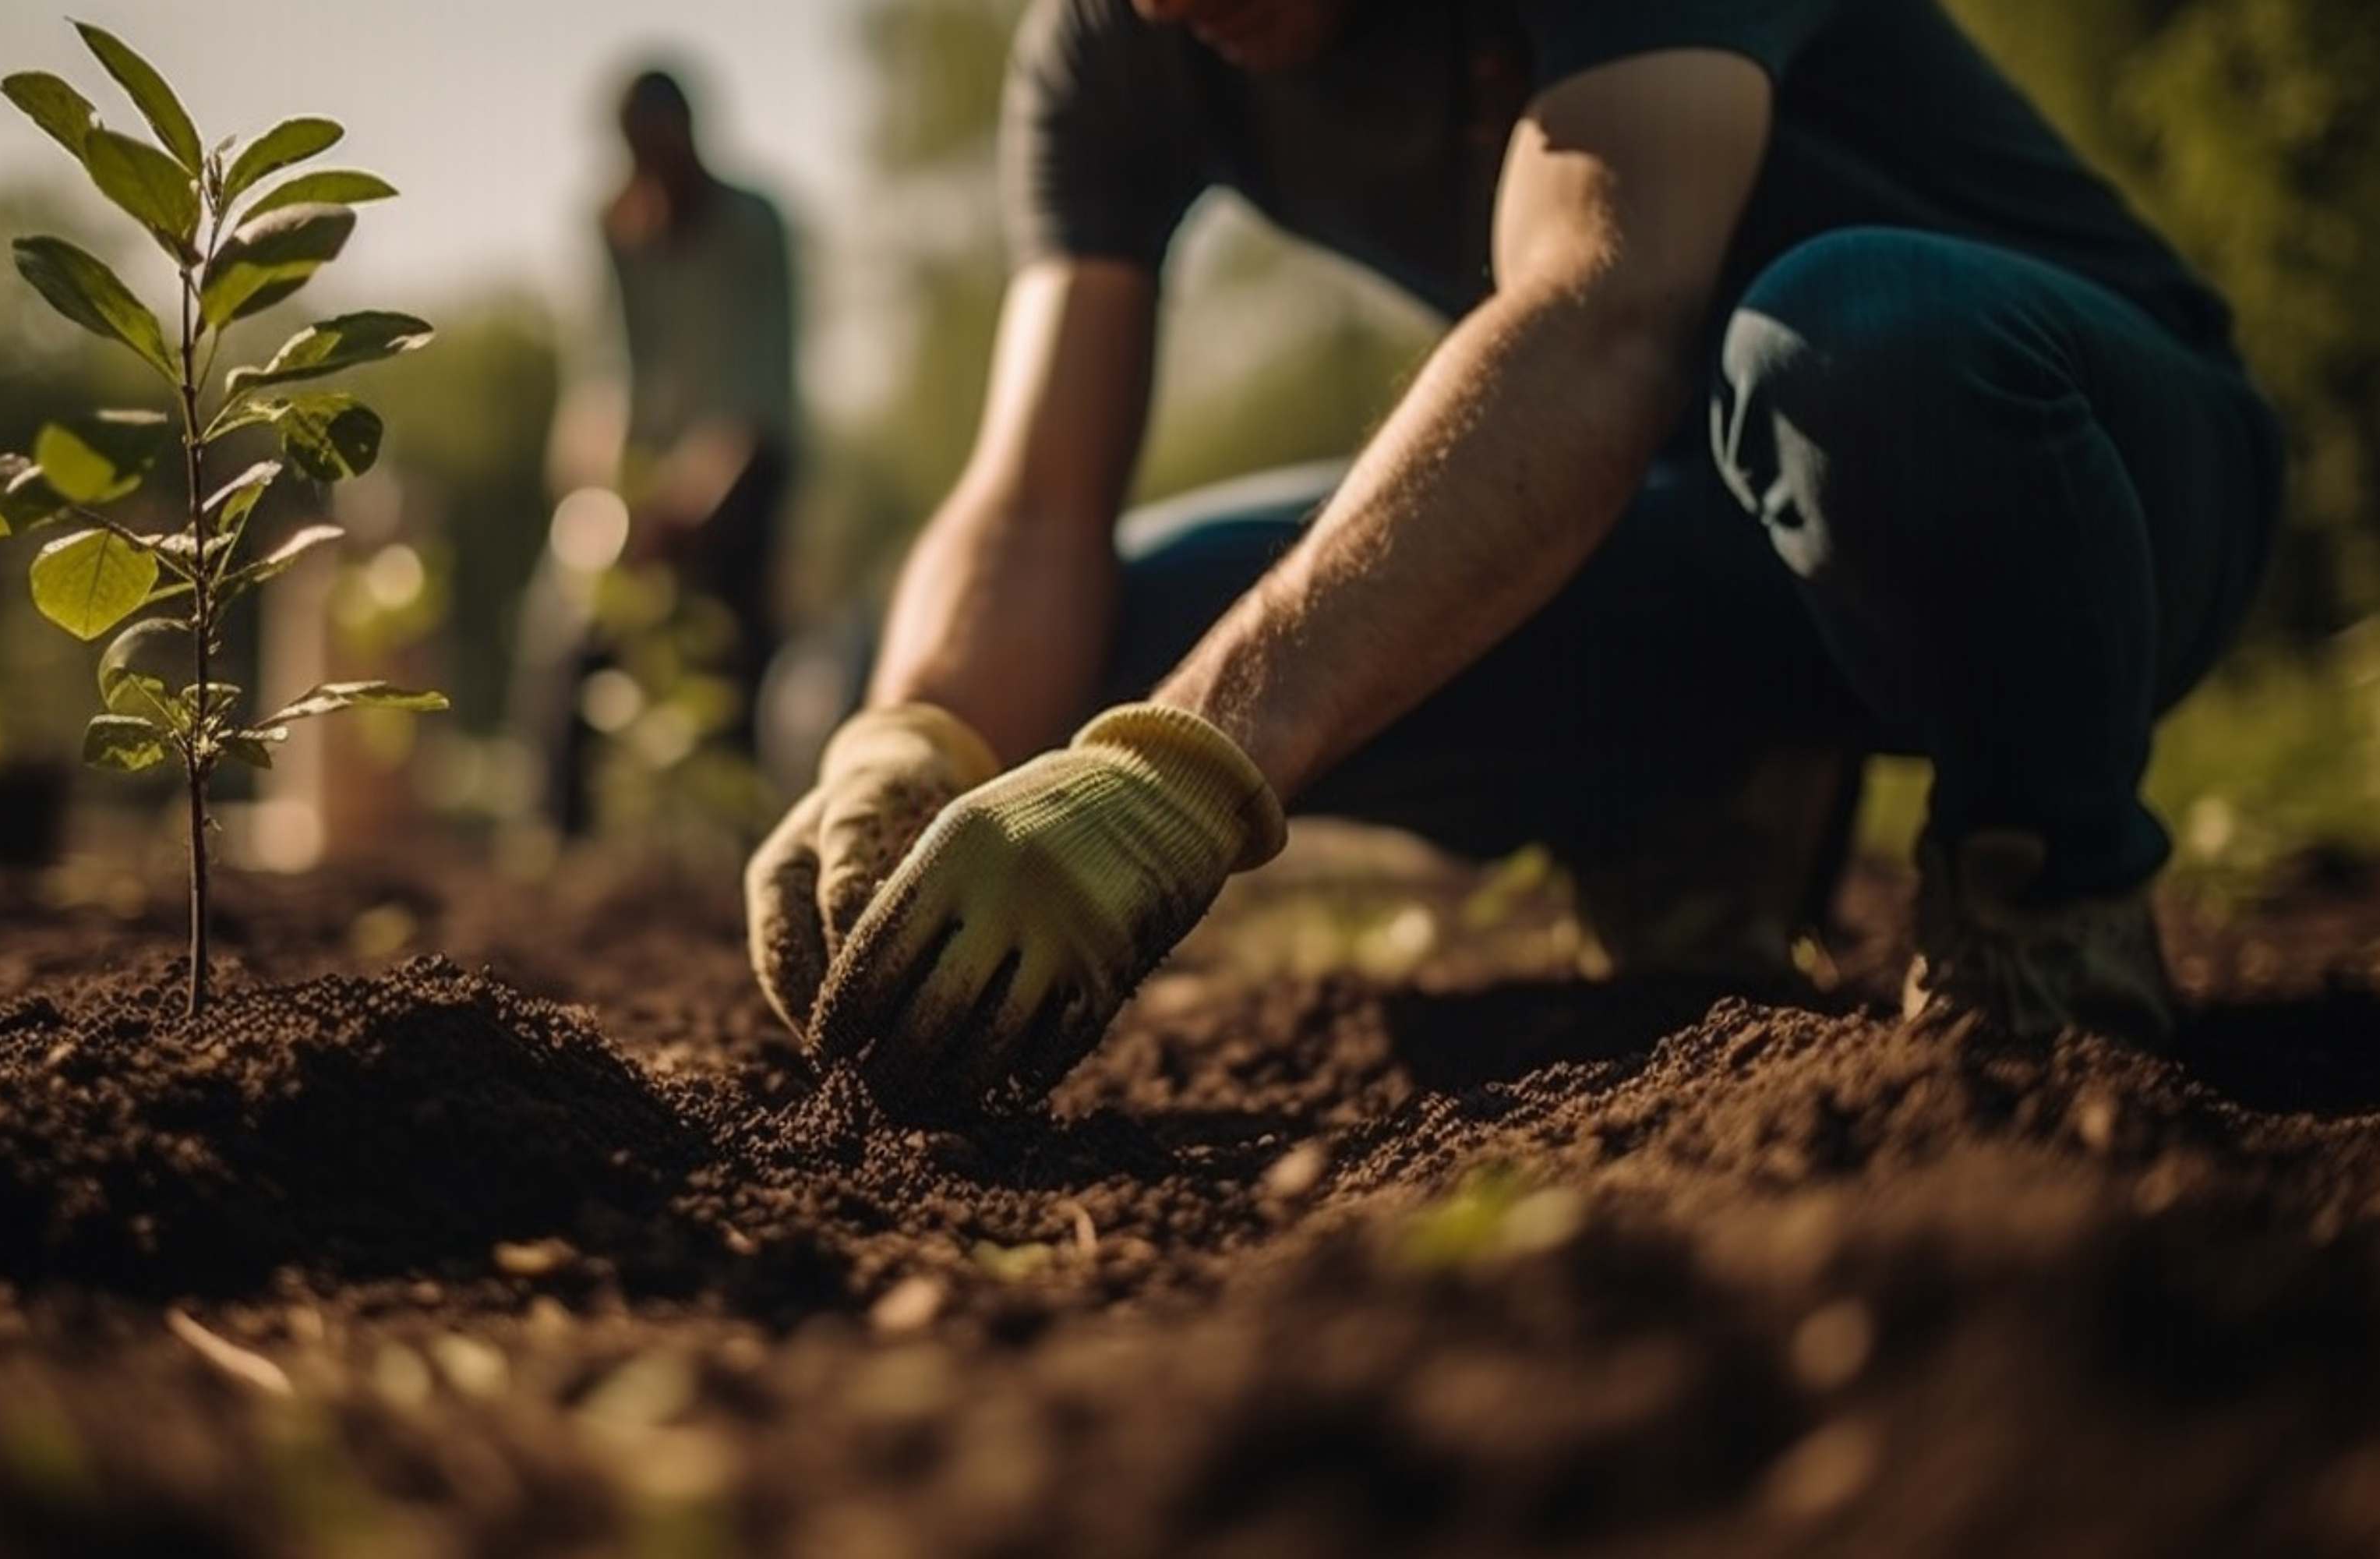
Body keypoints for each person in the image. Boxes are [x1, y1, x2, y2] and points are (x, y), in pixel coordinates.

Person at [746, 0, 2285, 1118]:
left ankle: (2045, 888)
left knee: (1842, 338)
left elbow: (1594, 317)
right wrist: (918, 737)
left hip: (2079, 486)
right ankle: (1698, 793)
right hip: (1716, 528)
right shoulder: (1118, 43)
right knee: (1133, 626)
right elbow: (1031, 507)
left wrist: (1182, 772)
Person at [536, 65, 798, 836]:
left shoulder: (754, 226)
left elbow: (753, 388)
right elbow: (603, 374)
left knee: (735, 634)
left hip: (741, 470)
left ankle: (744, 834)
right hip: (638, 481)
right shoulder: (610, 230)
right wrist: (611, 497)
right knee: (569, 630)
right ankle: (558, 839)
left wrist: (690, 500)